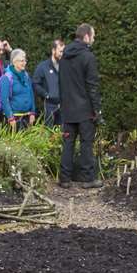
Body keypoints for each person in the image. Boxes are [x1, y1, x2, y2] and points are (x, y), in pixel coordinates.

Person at [58, 24, 101, 188]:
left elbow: (61, 82)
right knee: (86, 143)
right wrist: (97, 109)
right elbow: (92, 85)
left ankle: (65, 178)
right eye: (94, 36)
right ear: (87, 37)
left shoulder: (64, 57)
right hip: (84, 110)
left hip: (68, 108)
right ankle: (88, 178)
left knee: (68, 143)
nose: (94, 39)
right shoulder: (88, 57)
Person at [0, 49, 37, 129]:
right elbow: (4, 100)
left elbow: (31, 94)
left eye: (25, 60)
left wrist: (32, 112)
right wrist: (10, 117)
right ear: (14, 62)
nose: (24, 63)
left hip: (27, 117)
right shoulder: (7, 78)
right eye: (22, 61)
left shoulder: (26, 76)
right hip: (14, 120)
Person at [32, 40, 63, 126]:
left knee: (64, 134)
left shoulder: (65, 66)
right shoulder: (43, 66)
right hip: (49, 106)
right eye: (60, 51)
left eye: (63, 51)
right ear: (53, 50)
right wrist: (46, 94)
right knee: (48, 132)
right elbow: (35, 83)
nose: (62, 54)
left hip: (63, 106)